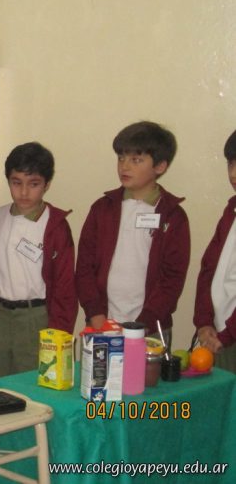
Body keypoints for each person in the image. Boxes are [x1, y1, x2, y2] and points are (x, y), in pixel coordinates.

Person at [76, 121, 190, 344]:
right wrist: (94, 311)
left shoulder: (172, 216)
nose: (124, 167)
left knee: (142, 370)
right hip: (102, 323)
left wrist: (145, 322)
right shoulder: (102, 209)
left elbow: (173, 278)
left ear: (160, 166)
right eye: (121, 158)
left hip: (150, 329)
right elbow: (84, 266)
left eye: (136, 160)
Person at [0, 142, 77, 383]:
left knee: (33, 386)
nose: (24, 192)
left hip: (36, 318)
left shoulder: (55, 226)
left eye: (33, 184)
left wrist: (59, 331)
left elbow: (65, 284)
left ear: (47, 184)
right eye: (17, 183)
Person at [193, 130, 236, 373]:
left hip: (229, 336)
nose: (233, 174)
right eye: (230, 164)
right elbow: (208, 269)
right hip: (218, 333)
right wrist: (204, 322)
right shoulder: (231, 211)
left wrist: (228, 334)